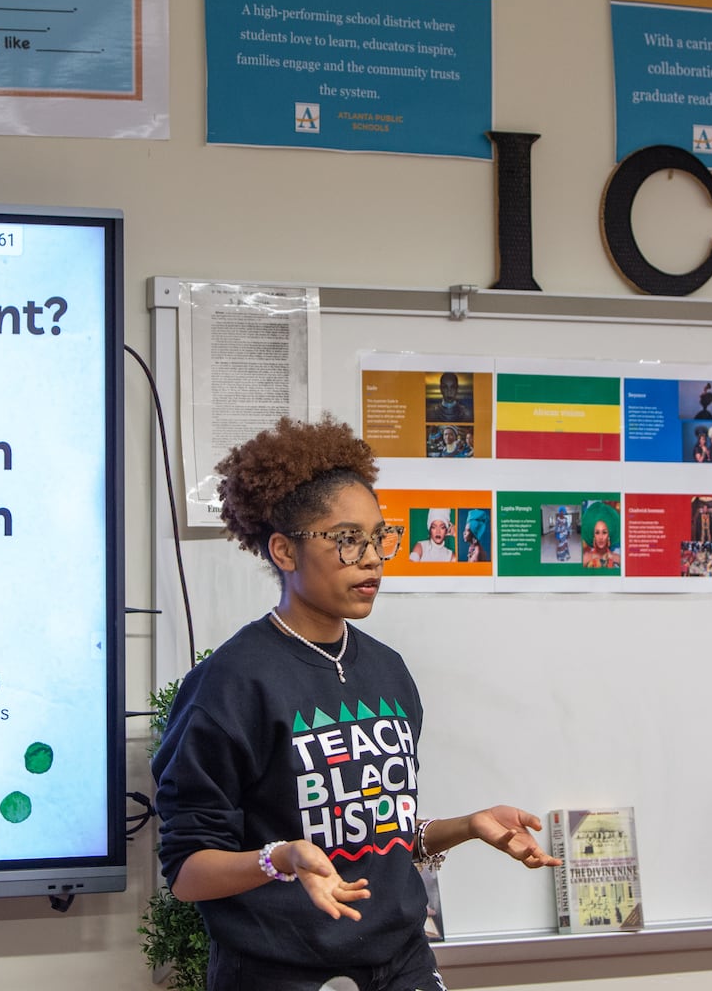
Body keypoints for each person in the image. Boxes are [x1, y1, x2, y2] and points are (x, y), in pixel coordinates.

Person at [152, 416, 557, 991]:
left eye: (379, 537)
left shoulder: (388, 670)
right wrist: (281, 859)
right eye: (346, 540)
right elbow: (188, 873)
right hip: (280, 975)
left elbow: (374, 833)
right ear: (284, 551)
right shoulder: (230, 684)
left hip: (402, 967)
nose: (372, 559)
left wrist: (465, 826)